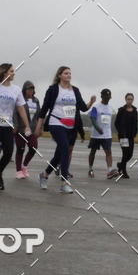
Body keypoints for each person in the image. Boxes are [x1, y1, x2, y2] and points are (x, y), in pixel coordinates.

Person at [35, 66, 95, 194]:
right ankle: (64, 182)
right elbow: (44, 109)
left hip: (70, 125)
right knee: (65, 149)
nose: (68, 75)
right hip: (56, 122)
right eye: (66, 73)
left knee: (59, 155)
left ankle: (44, 175)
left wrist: (91, 102)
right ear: (59, 75)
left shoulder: (75, 90)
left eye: (70, 73)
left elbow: (83, 108)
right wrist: (38, 127)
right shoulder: (53, 89)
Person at [87, 88, 118, 179]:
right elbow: (92, 118)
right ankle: (90, 169)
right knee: (93, 151)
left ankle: (109, 171)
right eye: (105, 97)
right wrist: (97, 127)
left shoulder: (110, 108)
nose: (107, 99)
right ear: (102, 96)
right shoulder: (96, 106)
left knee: (108, 152)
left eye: (109, 97)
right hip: (96, 134)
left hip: (107, 134)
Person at [14, 80, 39, 178]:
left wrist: (39, 127)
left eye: (32, 88)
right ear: (24, 89)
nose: (31, 90)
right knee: (20, 149)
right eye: (29, 88)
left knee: (33, 147)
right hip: (21, 129)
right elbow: (15, 113)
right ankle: (18, 171)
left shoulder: (36, 101)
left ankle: (24, 165)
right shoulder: (20, 100)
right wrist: (15, 125)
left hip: (31, 130)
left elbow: (39, 115)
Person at [115, 92, 138, 179]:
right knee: (125, 153)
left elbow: (136, 123)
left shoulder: (135, 110)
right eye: (128, 99)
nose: (130, 101)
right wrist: (121, 132)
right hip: (123, 136)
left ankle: (120, 165)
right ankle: (123, 172)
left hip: (131, 136)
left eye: (131, 99)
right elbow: (116, 123)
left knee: (130, 154)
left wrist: (135, 133)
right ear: (125, 100)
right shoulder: (121, 110)